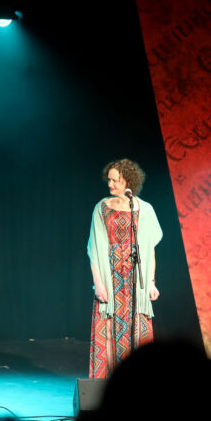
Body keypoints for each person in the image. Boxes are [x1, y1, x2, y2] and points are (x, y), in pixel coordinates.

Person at [87, 158, 162, 378]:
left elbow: (150, 250)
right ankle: (106, 384)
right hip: (110, 275)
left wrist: (150, 282)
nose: (110, 185)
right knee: (109, 329)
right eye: (108, 180)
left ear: (128, 181)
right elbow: (94, 249)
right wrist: (99, 284)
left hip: (134, 279)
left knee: (136, 331)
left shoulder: (145, 209)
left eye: (115, 181)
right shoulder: (101, 208)